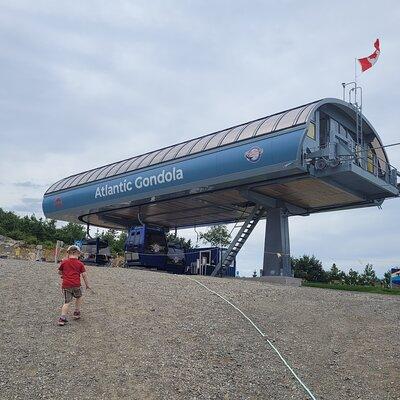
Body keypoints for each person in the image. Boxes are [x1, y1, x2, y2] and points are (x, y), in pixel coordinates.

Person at [58, 245, 90, 326]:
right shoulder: (80, 264)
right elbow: (84, 275)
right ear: (78, 253)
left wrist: (64, 274)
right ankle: (76, 312)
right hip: (76, 285)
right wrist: (87, 285)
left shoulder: (64, 262)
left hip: (66, 285)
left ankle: (62, 318)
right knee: (79, 297)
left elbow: (60, 272)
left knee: (67, 302)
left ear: (68, 253)